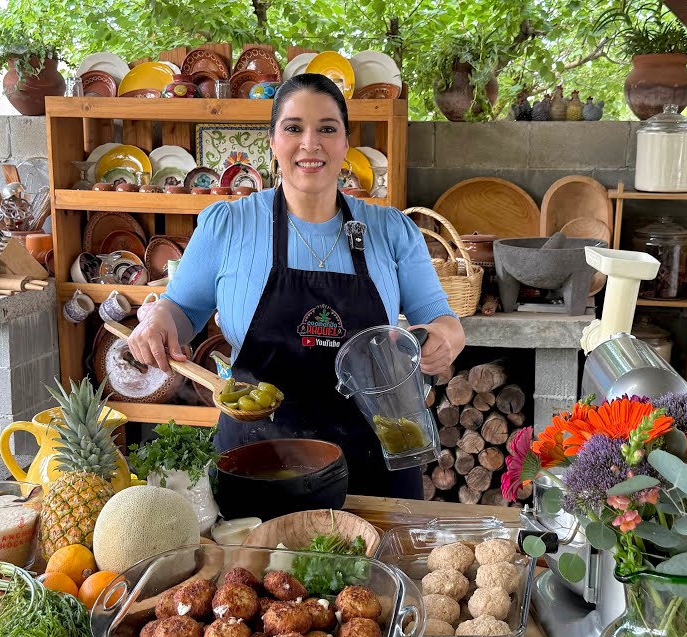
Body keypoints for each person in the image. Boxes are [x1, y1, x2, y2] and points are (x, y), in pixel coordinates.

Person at [127, 73, 465, 500]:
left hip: (373, 464)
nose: (311, 143)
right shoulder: (228, 225)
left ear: (345, 144)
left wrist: (442, 340)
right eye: (293, 128)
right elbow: (180, 310)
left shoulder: (392, 229)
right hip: (258, 462)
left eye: (327, 128)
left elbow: (442, 320)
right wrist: (159, 318)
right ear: (272, 142)